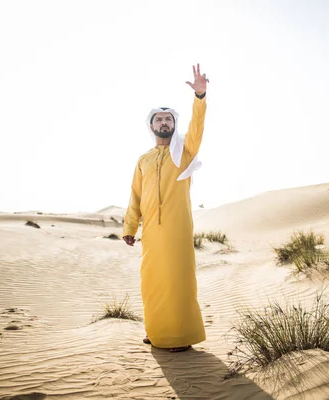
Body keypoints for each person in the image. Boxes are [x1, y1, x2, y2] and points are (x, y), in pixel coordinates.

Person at [122, 64, 209, 353]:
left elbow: (197, 128)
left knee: (177, 280)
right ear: (151, 126)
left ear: (173, 125)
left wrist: (200, 97)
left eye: (168, 119)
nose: (163, 123)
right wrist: (130, 228)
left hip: (177, 228)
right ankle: (156, 331)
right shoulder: (143, 160)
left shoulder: (184, 151)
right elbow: (135, 196)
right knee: (153, 282)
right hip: (152, 232)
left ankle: (179, 336)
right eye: (158, 119)